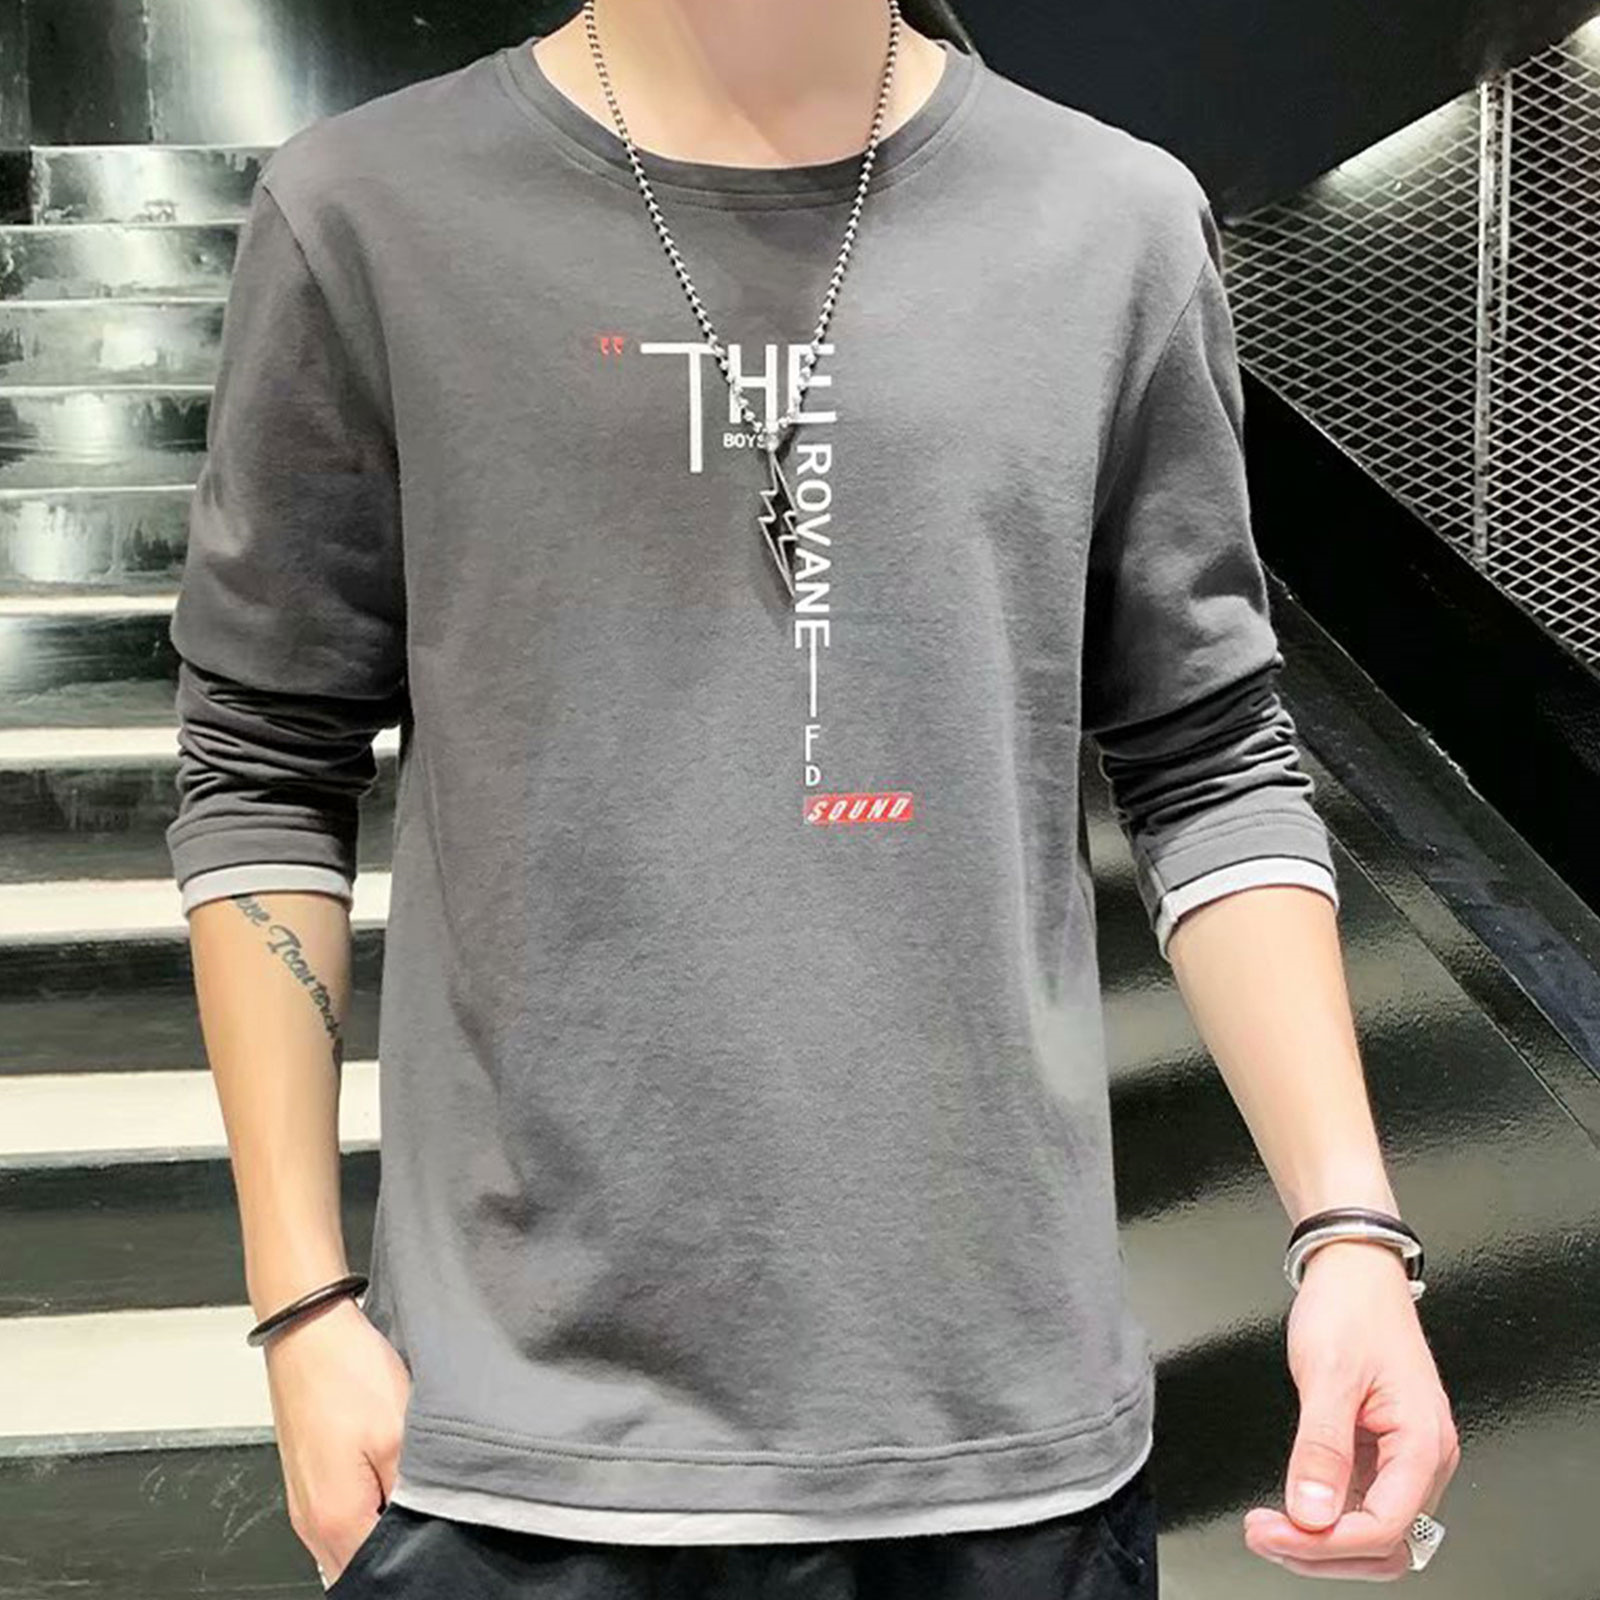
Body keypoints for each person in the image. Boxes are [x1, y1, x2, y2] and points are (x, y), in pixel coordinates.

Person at [165, 0, 1460, 1593]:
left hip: (1003, 1447)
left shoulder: (1110, 222)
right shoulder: (368, 214)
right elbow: (263, 765)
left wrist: (1351, 1236)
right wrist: (302, 1307)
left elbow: (1210, 758)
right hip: (509, 1452)